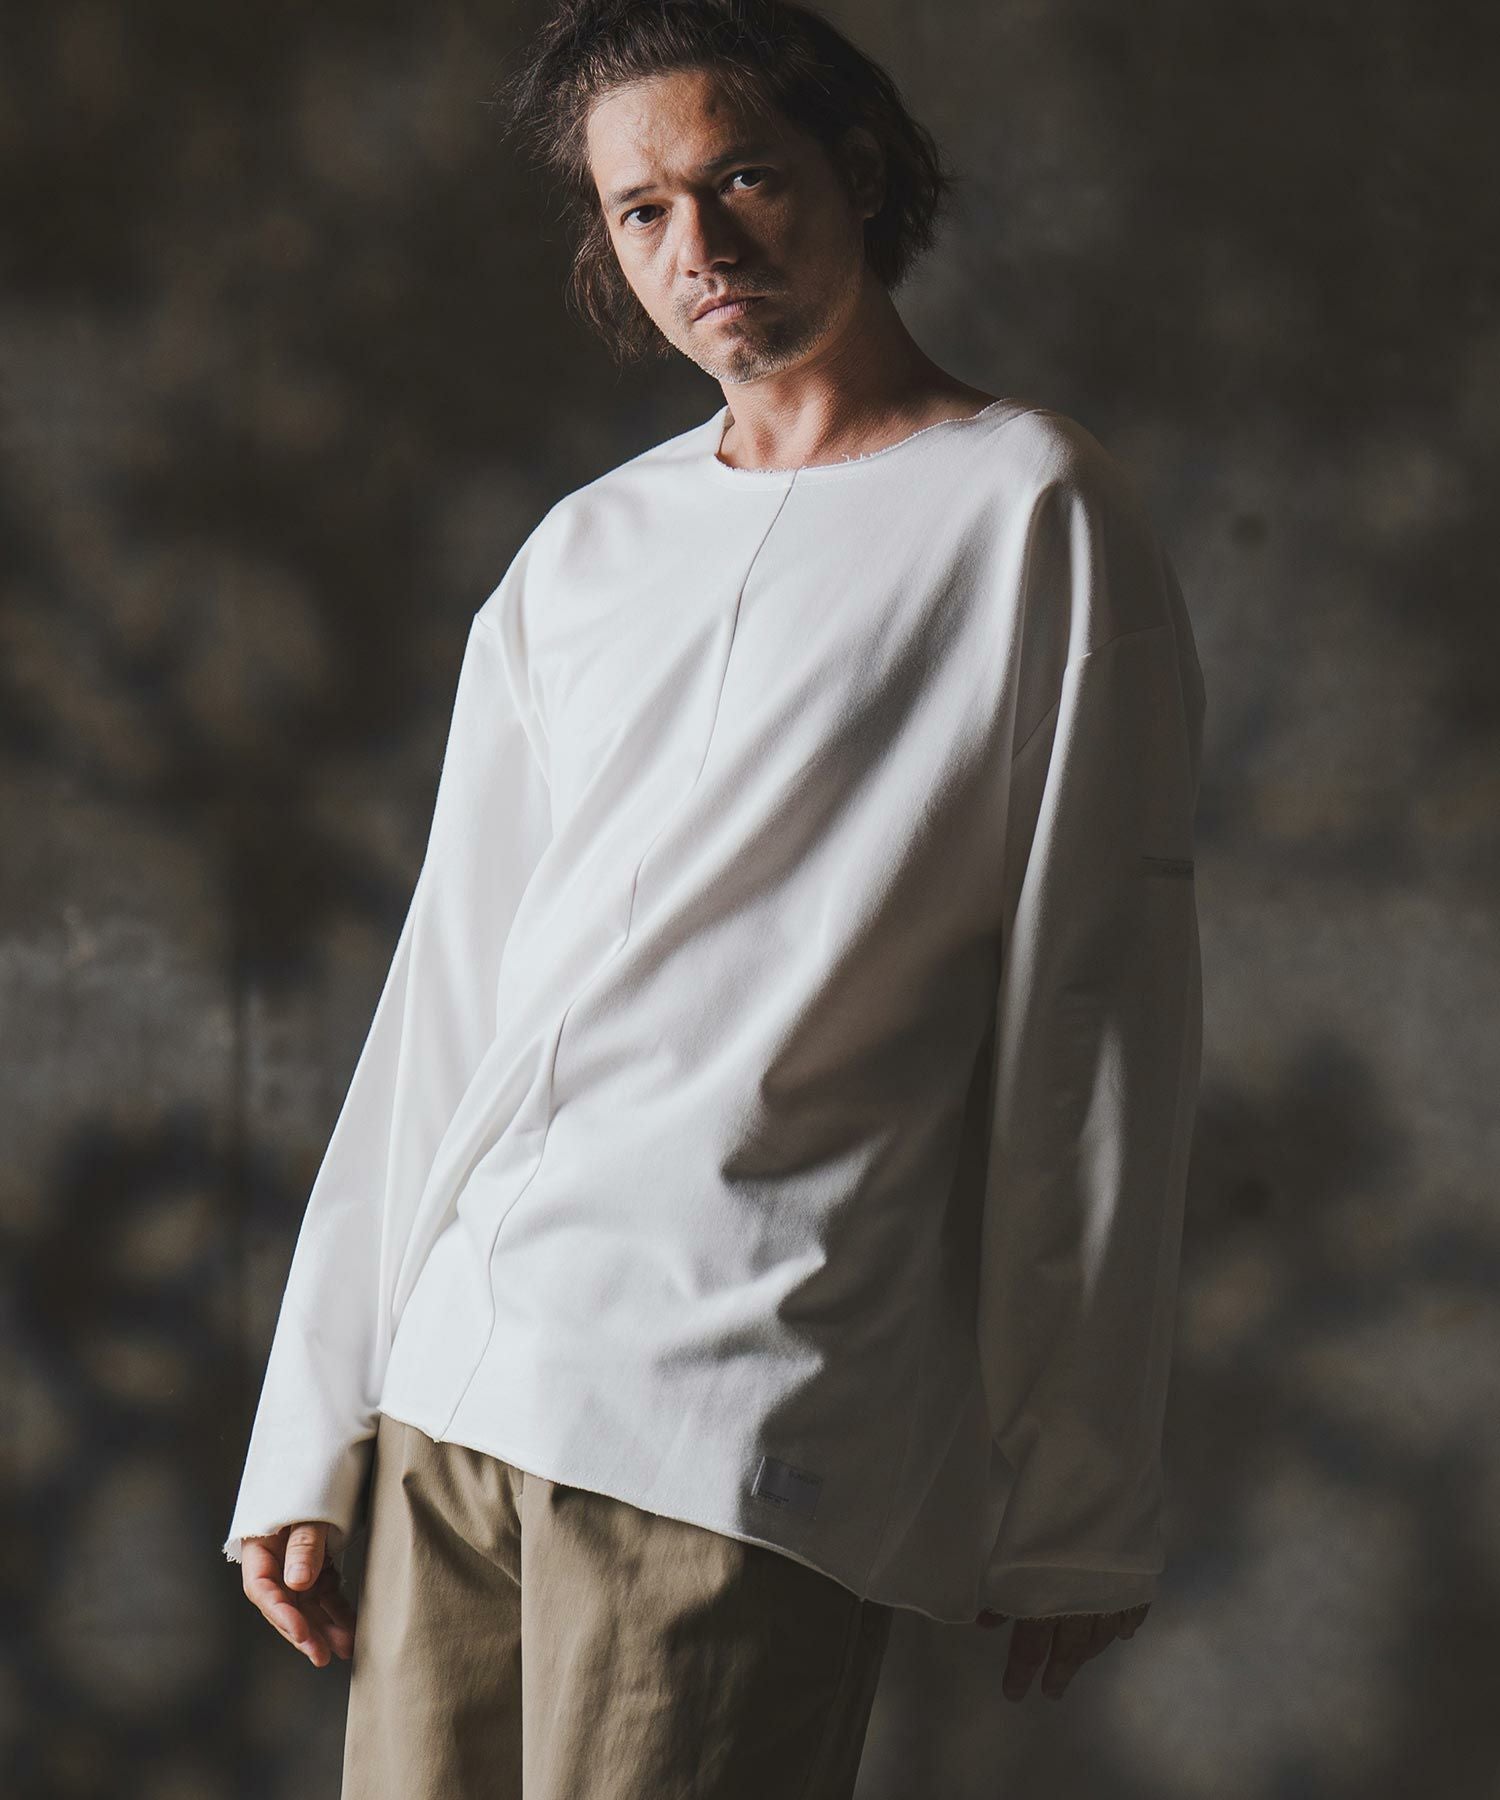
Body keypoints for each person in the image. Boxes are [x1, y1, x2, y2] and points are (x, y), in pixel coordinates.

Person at [224, 3, 1206, 1794]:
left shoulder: (1028, 513)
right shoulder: (585, 550)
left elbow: (1095, 1013)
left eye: (743, 176)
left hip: (744, 1405)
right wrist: (316, 1415)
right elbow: (452, 995)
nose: (701, 246)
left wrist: (1077, 1496)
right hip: (461, 1392)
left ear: (860, 168)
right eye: (643, 209)